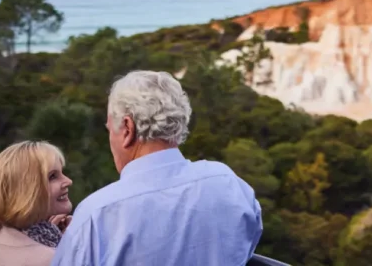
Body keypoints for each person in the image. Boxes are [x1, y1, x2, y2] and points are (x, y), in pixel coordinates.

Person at [51, 70, 263, 266]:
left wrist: (73, 241)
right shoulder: (229, 183)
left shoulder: (96, 215)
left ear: (127, 128)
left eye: (110, 130)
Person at [0, 140, 73, 266]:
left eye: (61, 173)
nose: (68, 181)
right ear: (26, 191)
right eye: (52, 177)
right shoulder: (49, 260)